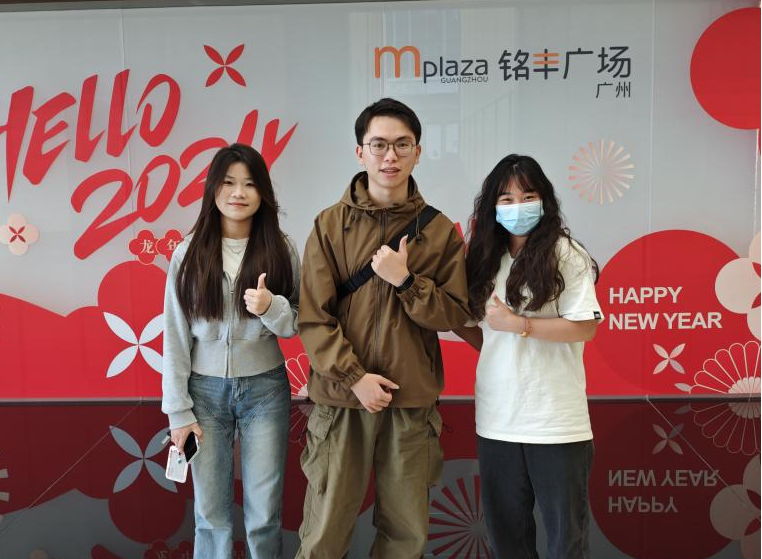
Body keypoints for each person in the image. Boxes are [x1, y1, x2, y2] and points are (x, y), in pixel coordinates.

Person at [294, 98, 470, 559]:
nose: (390, 156)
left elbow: (453, 314)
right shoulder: (330, 225)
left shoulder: (440, 232)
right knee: (324, 531)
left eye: (401, 145)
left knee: (405, 535)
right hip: (342, 401)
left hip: (410, 401)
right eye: (379, 145)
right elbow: (313, 317)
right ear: (360, 152)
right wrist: (355, 378)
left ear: (418, 152)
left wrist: (407, 283)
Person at [455, 154, 602, 559]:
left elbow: (585, 327)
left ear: (544, 200)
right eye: (506, 199)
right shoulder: (483, 257)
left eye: (528, 196)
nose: (517, 207)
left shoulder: (565, 253)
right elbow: (476, 330)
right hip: (497, 420)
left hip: (555, 423)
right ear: (492, 206)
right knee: (507, 539)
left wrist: (519, 325)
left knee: (565, 541)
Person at [161, 143, 300, 559]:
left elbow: (296, 322)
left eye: (250, 184)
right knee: (210, 515)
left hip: (266, 390)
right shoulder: (188, 253)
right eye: (228, 183)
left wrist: (270, 307)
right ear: (213, 189)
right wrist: (178, 411)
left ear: (263, 194)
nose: (238, 192)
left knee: (264, 515)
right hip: (203, 393)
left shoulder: (282, 248)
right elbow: (175, 334)